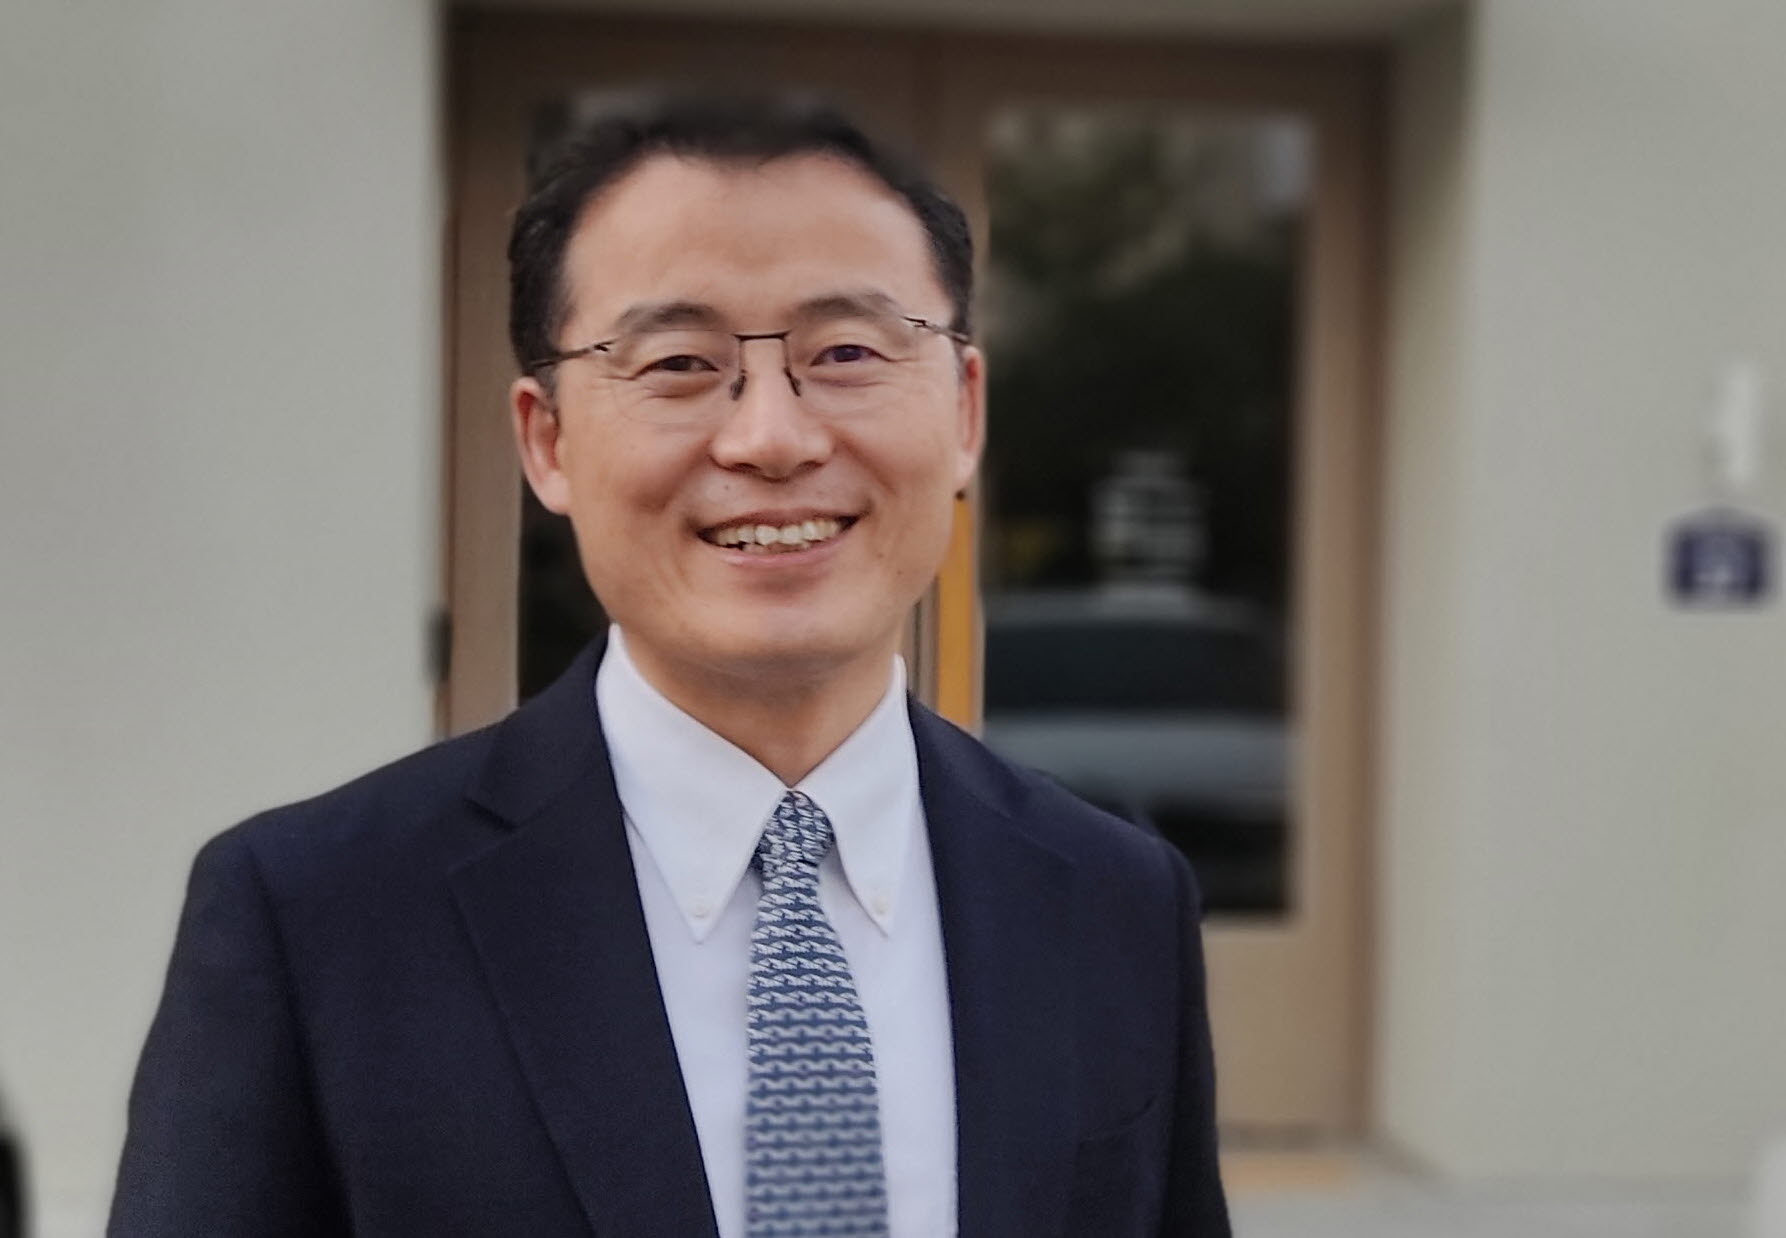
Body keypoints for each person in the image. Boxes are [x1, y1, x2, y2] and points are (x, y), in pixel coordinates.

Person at [109, 91, 1230, 1238]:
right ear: (547, 438)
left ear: (964, 412)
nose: (772, 438)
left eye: (846, 352)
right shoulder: (313, 916)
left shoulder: (1118, 899)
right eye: (680, 362)